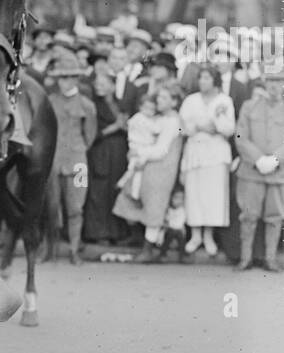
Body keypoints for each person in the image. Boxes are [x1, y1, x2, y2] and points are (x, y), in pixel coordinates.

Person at [112, 83, 184, 262]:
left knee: (155, 207)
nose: (158, 101)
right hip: (151, 167)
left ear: (174, 102)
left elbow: (161, 149)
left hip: (162, 168)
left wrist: (140, 152)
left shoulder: (173, 121)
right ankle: (144, 242)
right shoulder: (159, 119)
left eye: (164, 98)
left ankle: (148, 248)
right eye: (159, 97)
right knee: (139, 200)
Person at [46, 48, 98, 265]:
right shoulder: (49, 101)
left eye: (70, 77)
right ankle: (50, 249)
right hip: (53, 160)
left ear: (77, 78)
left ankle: (74, 250)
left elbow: (90, 136)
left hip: (78, 163)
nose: (65, 81)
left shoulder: (87, 105)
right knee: (51, 205)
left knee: (76, 206)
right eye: (62, 77)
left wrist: (78, 150)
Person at [233, 59, 284, 272]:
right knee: (248, 215)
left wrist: (276, 158)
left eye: (279, 80)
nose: (274, 85)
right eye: (271, 80)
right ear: (264, 81)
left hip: (278, 172)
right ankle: (246, 258)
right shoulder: (249, 106)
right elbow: (240, 136)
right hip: (252, 172)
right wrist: (257, 159)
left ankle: (270, 258)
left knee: (275, 216)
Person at [179, 64, 235, 257]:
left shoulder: (224, 101)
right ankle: (195, 235)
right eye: (201, 78)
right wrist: (197, 127)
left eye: (207, 78)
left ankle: (209, 236)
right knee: (194, 193)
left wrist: (217, 125)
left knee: (213, 194)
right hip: (195, 150)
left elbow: (230, 129)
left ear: (215, 80)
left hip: (216, 152)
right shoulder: (190, 101)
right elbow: (181, 128)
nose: (203, 82)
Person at [83, 56, 129, 245]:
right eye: (97, 83)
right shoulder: (94, 105)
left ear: (112, 85)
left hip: (118, 152)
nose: (99, 87)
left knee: (114, 190)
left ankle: (116, 233)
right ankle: (98, 233)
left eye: (103, 83)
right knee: (99, 191)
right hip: (101, 150)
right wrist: (116, 127)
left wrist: (124, 126)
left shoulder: (120, 103)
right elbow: (92, 133)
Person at [118, 94, 161, 202]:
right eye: (146, 108)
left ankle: (125, 182)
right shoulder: (143, 119)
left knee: (135, 169)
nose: (149, 111)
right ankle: (133, 192)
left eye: (152, 109)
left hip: (139, 146)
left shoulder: (138, 118)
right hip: (139, 146)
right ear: (140, 107)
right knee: (137, 169)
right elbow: (156, 130)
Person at [158, 186, 188, 263]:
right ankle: (163, 254)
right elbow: (166, 221)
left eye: (182, 198)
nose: (179, 201)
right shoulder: (168, 209)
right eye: (176, 198)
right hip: (170, 229)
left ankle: (182, 256)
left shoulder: (183, 209)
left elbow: (183, 222)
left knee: (181, 238)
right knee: (169, 236)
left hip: (179, 229)